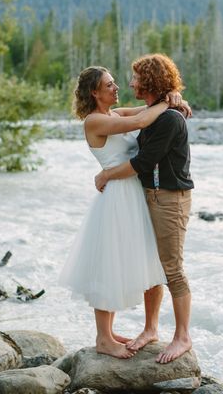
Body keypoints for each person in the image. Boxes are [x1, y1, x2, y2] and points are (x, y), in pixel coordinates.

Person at [58, 65, 188, 359]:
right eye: (109, 85)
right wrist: (170, 101)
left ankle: (114, 331)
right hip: (117, 198)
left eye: (115, 83)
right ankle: (103, 338)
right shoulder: (94, 121)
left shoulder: (113, 114)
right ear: (94, 92)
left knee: (128, 261)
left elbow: (147, 110)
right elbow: (144, 119)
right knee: (109, 264)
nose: (117, 88)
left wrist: (173, 98)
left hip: (133, 196)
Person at [95, 53, 194, 364]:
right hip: (150, 196)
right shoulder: (155, 112)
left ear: (149, 81)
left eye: (136, 77)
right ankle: (151, 329)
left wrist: (107, 174)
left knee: (172, 269)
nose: (130, 82)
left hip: (170, 198)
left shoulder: (168, 118)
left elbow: (141, 163)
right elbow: (130, 117)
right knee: (154, 266)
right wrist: (167, 100)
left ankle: (182, 337)